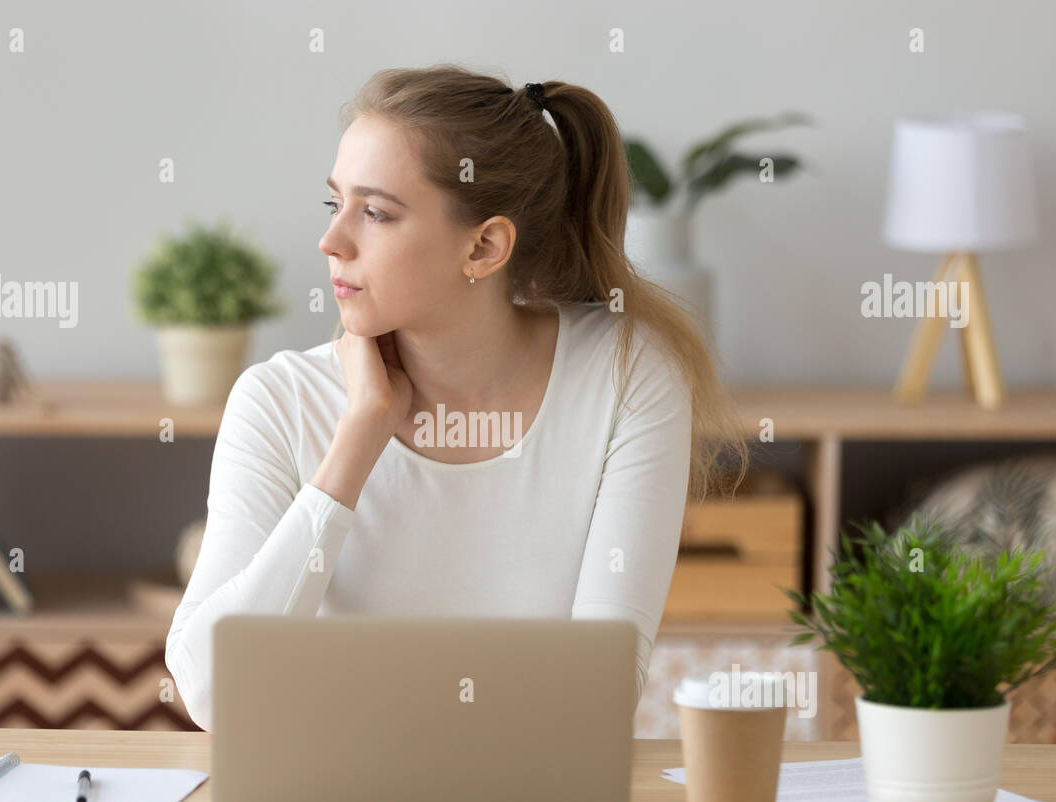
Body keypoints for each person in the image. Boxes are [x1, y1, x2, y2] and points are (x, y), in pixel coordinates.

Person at [165, 64, 749, 731]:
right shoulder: (277, 401)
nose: (332, 242)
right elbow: (212, 694)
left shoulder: (626, 373)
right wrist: (358, 439)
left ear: (485, 245)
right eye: (336, 204)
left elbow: (600, 687)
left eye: (376, 213)